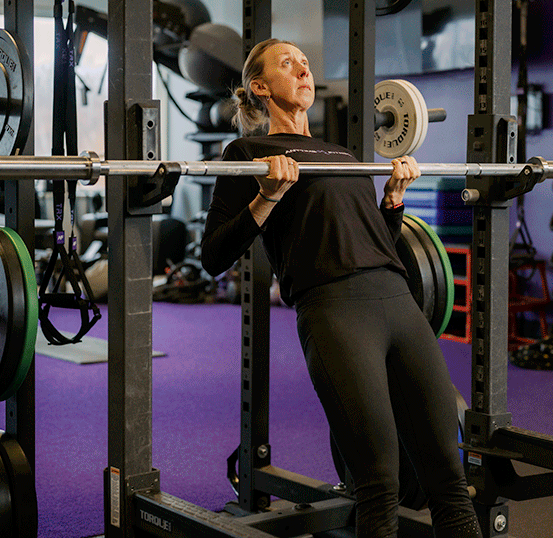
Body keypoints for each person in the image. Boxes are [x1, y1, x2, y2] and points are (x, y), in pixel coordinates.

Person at [200, 39, 482, 538]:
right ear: (260, 87)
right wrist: (267, 196)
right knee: (379, 481)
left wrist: (392, 200)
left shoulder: (343, 155)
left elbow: (375, 241)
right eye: (288, 64)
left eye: (306, 63)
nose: (303, 69)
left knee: (449, 478)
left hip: (398, 302)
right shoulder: (247, 154)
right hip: (335, 311)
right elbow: (214, 256)